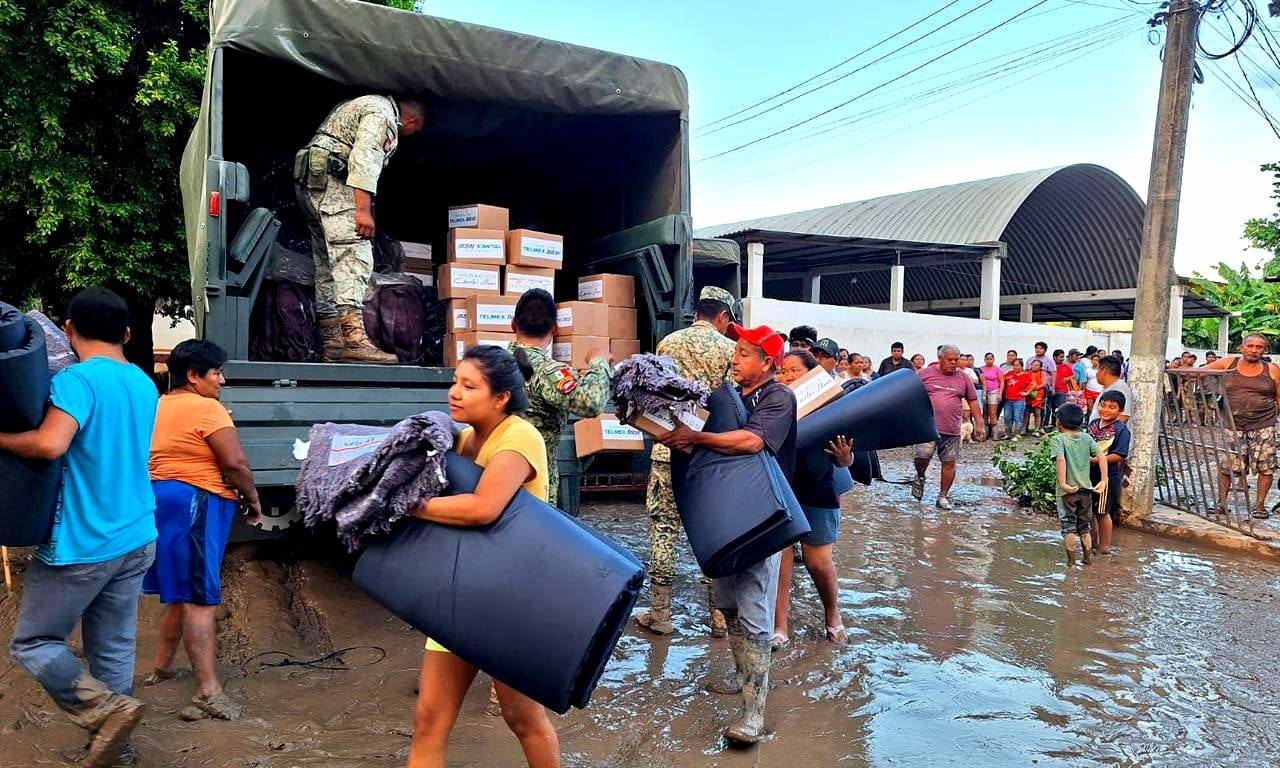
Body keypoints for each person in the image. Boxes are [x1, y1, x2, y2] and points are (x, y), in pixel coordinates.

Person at [0, 288, 159, 768]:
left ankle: (103, 710)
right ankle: (117, 751)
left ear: (68, 328)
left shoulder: (77, 380)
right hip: (137, 534)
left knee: (34, 642)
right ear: (127, 333)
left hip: (84, 539)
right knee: (113, 648)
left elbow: (50, 445)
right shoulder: (142, 381)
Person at [408, 346, 561, 768]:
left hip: (507, 602)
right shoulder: (460, 439)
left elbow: (483, 508)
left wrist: (405, 504)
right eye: (455, 382)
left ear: (501, 397)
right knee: (428, 721)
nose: (454, 392)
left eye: (469, 386)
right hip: (458, 594)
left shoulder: (519, 436)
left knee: (522, 717)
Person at [659, 323, 795, 745]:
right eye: (735, 352)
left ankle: (753, 715)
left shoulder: (778, 397)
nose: (734, 359)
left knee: (754, 610)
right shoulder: (729, 395)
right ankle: (741, 676)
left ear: (767, 362)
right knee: (727, 604)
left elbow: (752, 442)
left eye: (744, 354)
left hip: (759, 518)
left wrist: (697, 437)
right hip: (722, 515)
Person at [144, 340, 262, 722]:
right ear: (194, 375)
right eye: (217, 373)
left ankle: (162, 668)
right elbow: (235, 462)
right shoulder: (206, 407)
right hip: (196, 501)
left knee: (182, 592)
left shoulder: (158, 404)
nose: (221, 381)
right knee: (200, 598)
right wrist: (253, 500)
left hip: (162, 498)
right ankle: (208, 692)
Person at [634, 287, 738, 638]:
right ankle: (719, 618)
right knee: (714, 531)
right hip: (709, 456)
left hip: (667, 450)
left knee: (663, 528)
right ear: (722, 316)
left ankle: (660, 615)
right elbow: (730, 405)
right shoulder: (729, 349)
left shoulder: (668, 343)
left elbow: (651, 395)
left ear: (697, 312)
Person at [295, 94, 428, 364]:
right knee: (353, 256)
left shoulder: (363, 103)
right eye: (415, 130)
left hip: (313, 186)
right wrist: (363, 210)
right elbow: (364, 156)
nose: (411, 134)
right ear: (412, 121)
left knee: (327, 263)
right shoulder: (383, 115)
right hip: (334, 187)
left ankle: (334, 342)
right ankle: (354, 342)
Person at [772, 350, 852, 649]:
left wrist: (844, 457)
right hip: (783, 488)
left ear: (812, 375)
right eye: (783, 371)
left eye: (795, 370)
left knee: (818, 561)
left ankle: (832, 614)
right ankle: (780, 626)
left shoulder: (830, 407)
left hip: (818, 488)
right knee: (780, 560)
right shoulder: (773, 405)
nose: (787, 376)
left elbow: (847, 458)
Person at [508, 289, 611, 509]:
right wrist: (599, 363)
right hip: (534, 486)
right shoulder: (549, 371)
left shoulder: (493, 363)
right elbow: (590, 403)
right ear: (555, 328)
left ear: (513, 324)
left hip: (494, 474)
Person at [1203, 334, 1280, 519]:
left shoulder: (1272, 370)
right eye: (1250, 346)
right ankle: (1221, 503)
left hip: (1264, 426)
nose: (1254, 350)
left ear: (1265, 350)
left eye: (1259, 347)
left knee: (1266, 467)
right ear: (1241, 347)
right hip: (1233, 426)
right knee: (1228, 467)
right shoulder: (1228, 363)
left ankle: (1259, 506)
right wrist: (1170, 370)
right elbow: (1198, 372)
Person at [912, 345, 983, 510]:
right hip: (927, 427)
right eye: (949, 359)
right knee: (922, 457)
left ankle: (943, 496)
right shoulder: (924, 374)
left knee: (949, 462)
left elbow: (973, 400)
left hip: (951, 428)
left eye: (956, 360)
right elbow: (910, 395)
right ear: (940, 358)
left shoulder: (963, 378)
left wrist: (979, 424)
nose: (953, 363)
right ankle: (920, 476)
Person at [1051, 403, 1107, 567]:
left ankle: (1071, 563)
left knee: (1068, 527)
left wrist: (1063, 484)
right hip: (1086, 491)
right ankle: (1087, 559)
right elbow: (1101, 456)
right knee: (1084, 527)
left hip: (1067, 492)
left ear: (1059, 422)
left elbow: (1061, 460)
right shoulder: (1087, 438)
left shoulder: (1058, 439)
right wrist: (1104, 480)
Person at [1088, 390, 1131, 553]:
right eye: (1103, 405)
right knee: (1090, 511)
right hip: (1089, 474)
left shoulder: (1121, 430)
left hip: (1106, 477)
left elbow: (1119, 455)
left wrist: (1097, 460)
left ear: (1120, 411)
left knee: (1102, 512)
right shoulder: (1093, 424)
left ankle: (1105, 547)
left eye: (1112, 407)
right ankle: (1092, 543)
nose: (1105, 410)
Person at [1090, 355, 1134, 423]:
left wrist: (1103, 428)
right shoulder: (1110, 387)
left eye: (1098, 370)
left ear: (1104, 371)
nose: (1096, 374)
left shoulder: (1120, 388)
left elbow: (1123, 416)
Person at [1001, 358, 1031, 439]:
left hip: (1019, 400)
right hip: (1008, 400)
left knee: (1017, 417)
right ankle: (1008, 434)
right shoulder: (1010, 373)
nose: (1015, 367)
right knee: (1007, 417)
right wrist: (1005, 379)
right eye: (1014, 365)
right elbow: (1001, 379)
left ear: (1021, 366)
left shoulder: (1025, 375)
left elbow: (1033, 384)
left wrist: (1027, 393)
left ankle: (1017, 435)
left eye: (1017, 365)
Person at [978, 352, 1005, 439]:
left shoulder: (998, 369)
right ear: (984, 359)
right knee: (984, 413)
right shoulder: (980, 369)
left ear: (993, 359)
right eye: (987, 359)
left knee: (992, 413)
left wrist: (1000, 393)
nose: (989, 360)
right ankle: (985, 433)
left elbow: (1002, 382)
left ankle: (995, 434)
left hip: (994, 391)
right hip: (983, 392)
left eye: (991, 359)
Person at [1025, 359, 1048, 435]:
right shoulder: (1027, 373)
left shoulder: (1042, 373)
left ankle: (1037, 429)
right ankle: (1024, 428)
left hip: (1038, 395)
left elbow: (1044, 383)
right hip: (1028, 395)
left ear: (1040, 367)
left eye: (1036, 365)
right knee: (1026, 412)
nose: (1034, 366)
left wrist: (1035, 387)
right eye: (1033, 365)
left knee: (1037, 413)